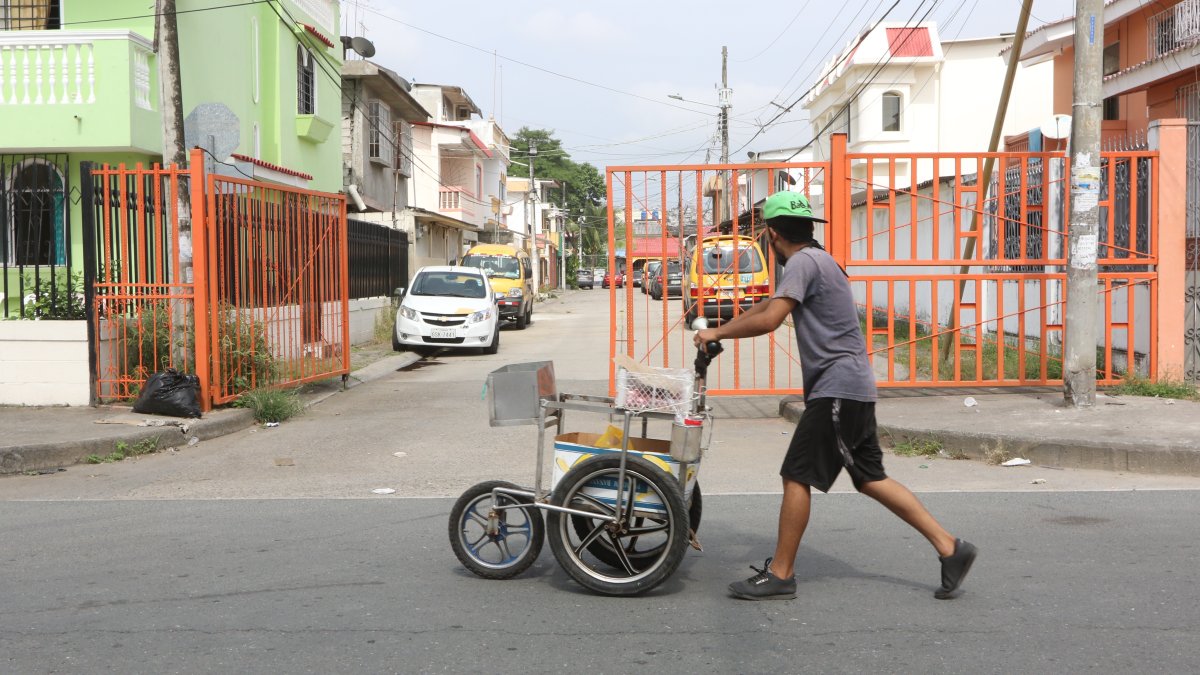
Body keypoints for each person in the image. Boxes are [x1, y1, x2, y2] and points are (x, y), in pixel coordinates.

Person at [694, 191, 977, 601]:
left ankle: (781, 573)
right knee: (869, 479)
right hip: (853, 388)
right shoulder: (816, 261)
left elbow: (771, 319)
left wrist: (716, 332)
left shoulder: (804, 263)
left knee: (797, 473)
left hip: (838, 390)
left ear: (772, 236)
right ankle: (951, 548)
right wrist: (720, 328)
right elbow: (767, 306)